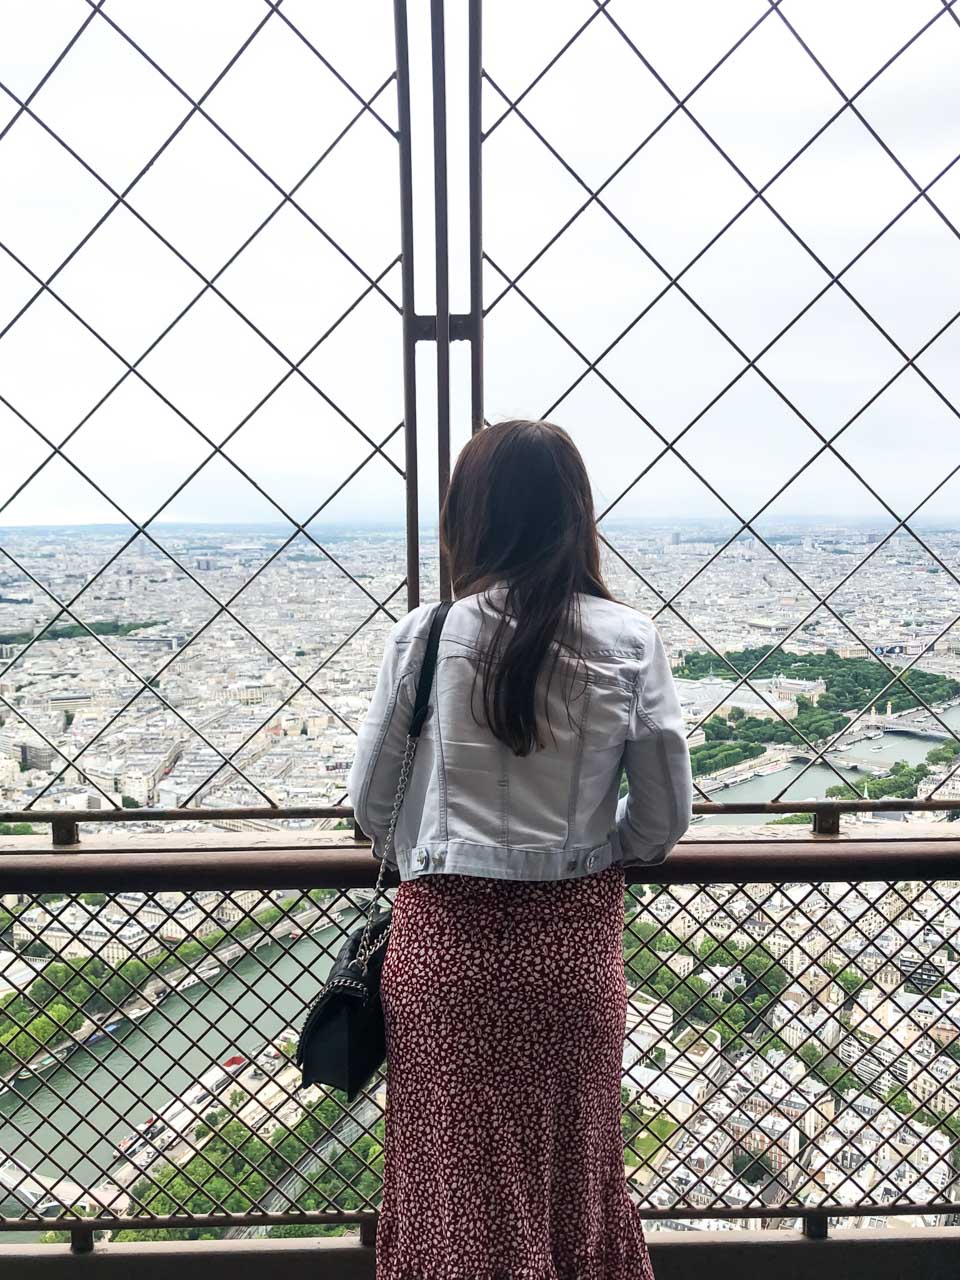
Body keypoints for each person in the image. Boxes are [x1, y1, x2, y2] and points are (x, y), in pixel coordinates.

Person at [348, 419, 693, 1279]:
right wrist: (589, 853)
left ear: (471, 517)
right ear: (576, 515)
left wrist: (439, 847)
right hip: (571, 948)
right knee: (572, 1175)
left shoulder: (425, 636)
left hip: (444, 947)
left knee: (448, 1183)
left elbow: (369, 806)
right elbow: (660, 820)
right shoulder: (629, 640)